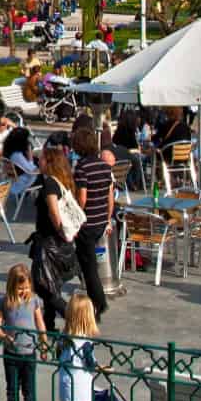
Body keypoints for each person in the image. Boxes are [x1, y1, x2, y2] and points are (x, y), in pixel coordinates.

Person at [0, 263, 46, 401]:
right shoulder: (4, 302)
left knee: (28, 389)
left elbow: (40, 323)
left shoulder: (34, 301)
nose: (23, 291)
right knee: (12, 388)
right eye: (19, 288)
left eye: (26, 287)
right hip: (11, 352)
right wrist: (2, 335)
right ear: (11, 287)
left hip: (29, 351)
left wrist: (44, 342)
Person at [30, 149, 82, 324]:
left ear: (50, 162)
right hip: (58, 243)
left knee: (43, 285)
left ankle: (73, 319)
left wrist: (61, 230)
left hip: (49, 242)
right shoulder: (63, 181)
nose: (39, 161)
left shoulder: (51, 184)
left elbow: (53, 211)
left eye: (42, 159)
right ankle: (49, 321)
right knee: (52, 284)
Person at [69, 126, 114, 319]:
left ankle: (99, 304)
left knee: (90, 268)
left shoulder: (81, 167)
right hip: (100, 221)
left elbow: (82, 198)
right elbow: (110, 196)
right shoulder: (105, 166)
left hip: (86, 223)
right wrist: (107, 218)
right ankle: (95, 300)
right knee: (89, 263)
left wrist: (75, 220)